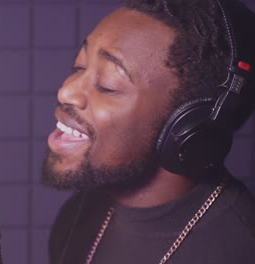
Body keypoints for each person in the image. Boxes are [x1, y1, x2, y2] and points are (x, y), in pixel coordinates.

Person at [42, 0, 255, 263]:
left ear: (188, 126)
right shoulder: (78, 214)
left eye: (108, 84)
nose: (66, 91)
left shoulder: (241, 248)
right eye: (80, 66)